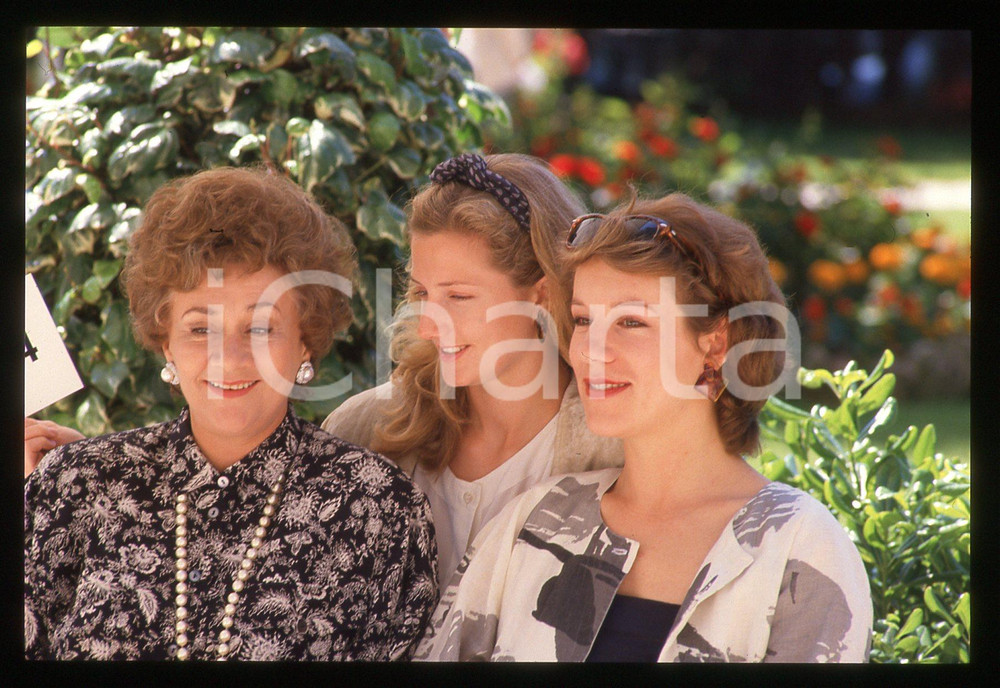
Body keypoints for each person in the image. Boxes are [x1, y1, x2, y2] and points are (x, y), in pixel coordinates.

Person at [415, 192, 873, 662]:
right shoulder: (532, 523)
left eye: (631, 322)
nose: (591, 349)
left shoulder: (799, 548)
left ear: (716, 345)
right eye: (583, 319)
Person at [24, 166, 437, 661]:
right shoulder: (72, 485)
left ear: (305, 340)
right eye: (200, 329)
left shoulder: (378, 509)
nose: (231, 358)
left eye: (261, 329)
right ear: (165, 342)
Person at [321, 153, 624, 587]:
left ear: (541, 291)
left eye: (459, 297)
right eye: (421, 292)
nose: (428, 324)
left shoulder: (617, 450)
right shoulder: (362, 431)